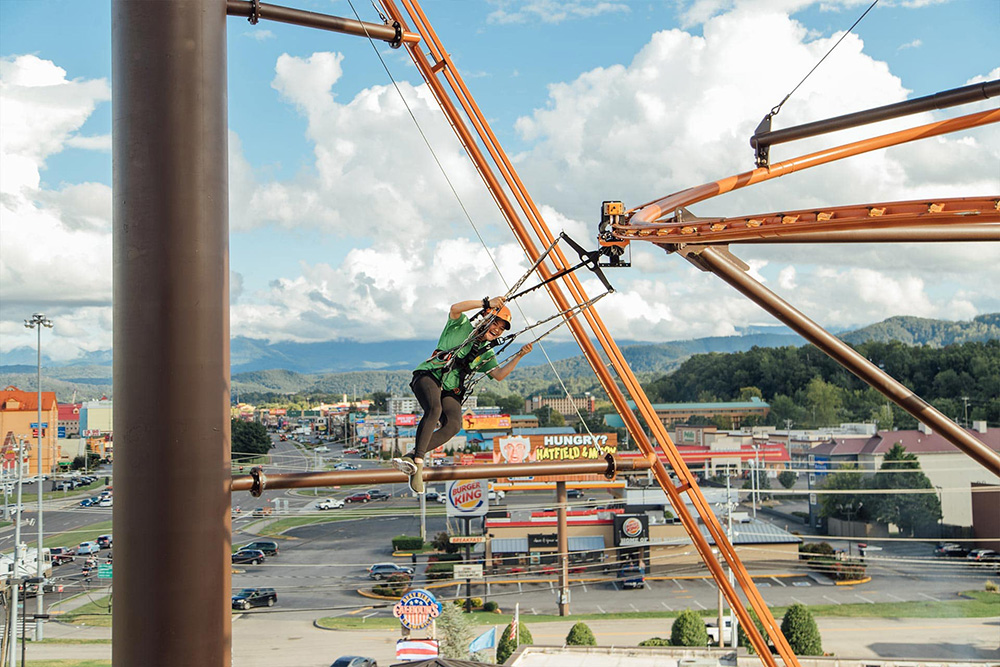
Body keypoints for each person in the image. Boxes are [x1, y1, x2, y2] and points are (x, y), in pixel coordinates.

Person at [394, 296, 533, 493]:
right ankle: (418, 464)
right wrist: (486, 303)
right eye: (495, 324)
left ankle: (411, 457)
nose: (497, 330)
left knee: (453, 425)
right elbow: (455, 308)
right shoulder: (461, 327)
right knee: (434, 409)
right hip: (429, 376)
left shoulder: (485, 353)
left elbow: (499, 374)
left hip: (450, 389)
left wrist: (519, 355)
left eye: (501, 329)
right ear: (486, 319)